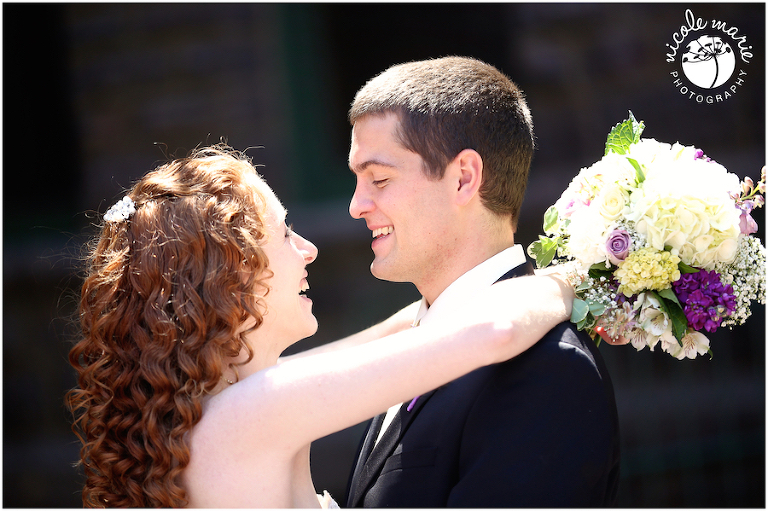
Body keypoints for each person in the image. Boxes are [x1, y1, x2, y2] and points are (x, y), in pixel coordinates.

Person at [66, 145, 576, 508]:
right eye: (284, 233)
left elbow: (406, 330)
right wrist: (579, 276)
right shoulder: (252, 415)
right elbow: (498, 332)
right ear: (232, 274)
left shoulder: (223, 411)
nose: (308, 249)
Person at [344, 56, 621, 507]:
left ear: (463, 179)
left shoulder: (546, 369)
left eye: (379, 178)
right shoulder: (412, 344)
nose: (357, 205)